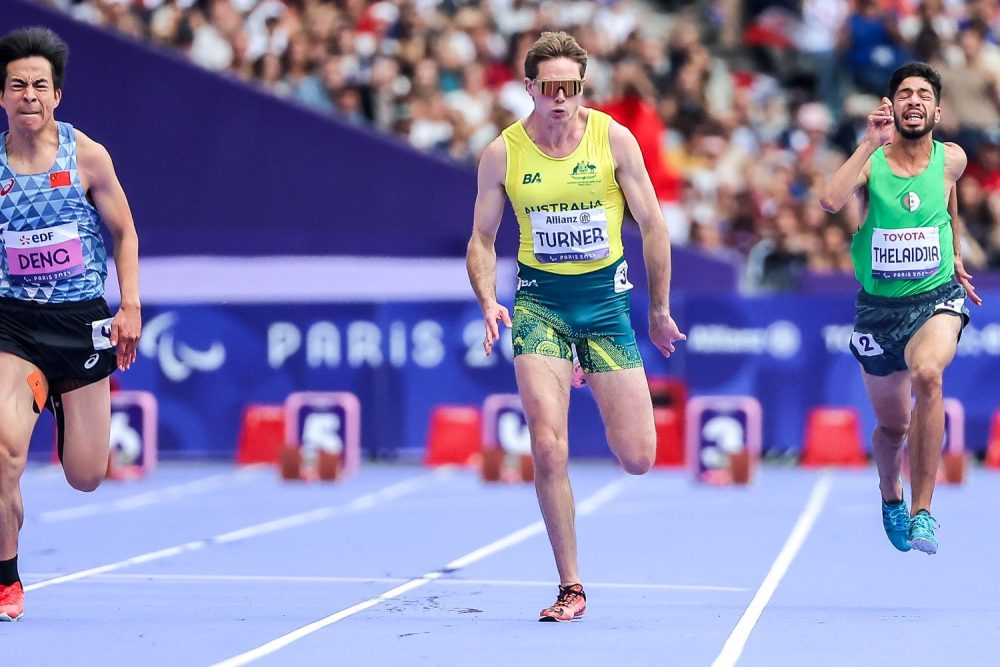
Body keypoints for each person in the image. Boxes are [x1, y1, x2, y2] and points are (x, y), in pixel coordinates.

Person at [465, 31, 685, 621]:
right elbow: (482, 240)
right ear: (529, 87)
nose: (561, 98)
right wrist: (488, 299)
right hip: (541, 309)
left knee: (638, 457)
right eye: (550, 88)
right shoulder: (503, 153)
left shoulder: (613, 139)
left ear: (582, 87)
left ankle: (589, 370)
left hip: (606, 312)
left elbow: (654, 227)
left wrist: (658, 310)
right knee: (547, 444)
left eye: (572, 87)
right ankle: (571, 584)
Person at [0, 27, 142, 621]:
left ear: (56, 95)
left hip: (81, 324)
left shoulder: (86, 155)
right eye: (17, 85)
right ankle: (6, 576)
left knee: (86, 476)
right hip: (14, 326)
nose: (29, 94)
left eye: (39, 85)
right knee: (3, 453)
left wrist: (129, 305)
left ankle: (58, 401)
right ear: (2, 96)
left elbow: (125, 233)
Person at [820, 62, 981, 556]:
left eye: (923, 94)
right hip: (879, 312)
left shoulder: (952, 158)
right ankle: (892, 497)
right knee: (893, 427)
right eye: (905, 93)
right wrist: (868, 141)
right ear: (893, 106)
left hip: (935, 299)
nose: (915, 100)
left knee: (929, 374)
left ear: (938, 108)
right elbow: (829, 200)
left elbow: (948, 200)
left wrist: (952, 252)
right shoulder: (874, 161)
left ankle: (922, 511)